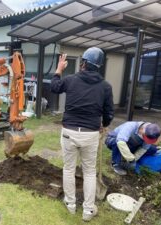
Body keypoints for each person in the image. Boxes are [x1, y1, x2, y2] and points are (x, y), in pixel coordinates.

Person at [51, 47, 114, 222]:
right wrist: (104, 125)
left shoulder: (71, 80)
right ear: (99, 66)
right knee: (89, 172)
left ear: (84, 63)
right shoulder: (105, 87)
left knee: (69, 169)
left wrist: (59, 69)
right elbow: (109, 112)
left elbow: (55, 87)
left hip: (69, 133)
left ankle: (70, 204)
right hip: (90, 134)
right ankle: (88, 210)